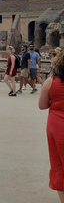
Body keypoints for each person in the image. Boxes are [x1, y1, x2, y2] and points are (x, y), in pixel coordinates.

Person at [39, 49, 64, 202]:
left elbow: (42, 105)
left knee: (58, 165)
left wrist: (54, 101)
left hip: (57, 125)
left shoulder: (51, 82)